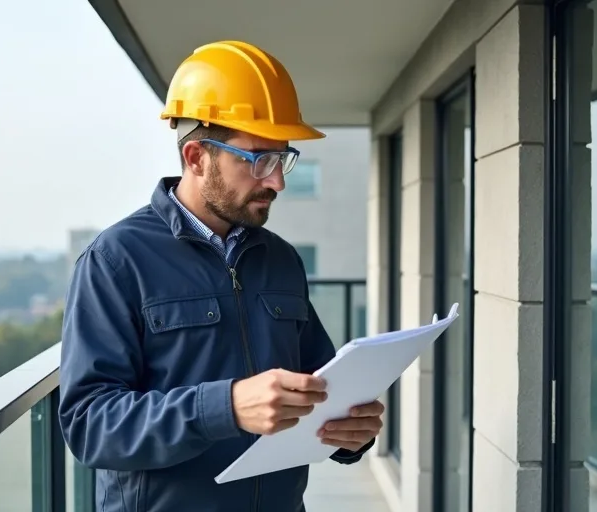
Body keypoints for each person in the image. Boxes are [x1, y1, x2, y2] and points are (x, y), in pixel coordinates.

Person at [58, 40, 384, 512]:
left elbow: (321, 384)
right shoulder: (115, 260)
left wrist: (350, 433)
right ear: (196, 157)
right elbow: (91, 426)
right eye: (258, 161)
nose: (277, 182)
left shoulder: (282, 260)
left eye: (283, 159)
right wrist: (225, 408)